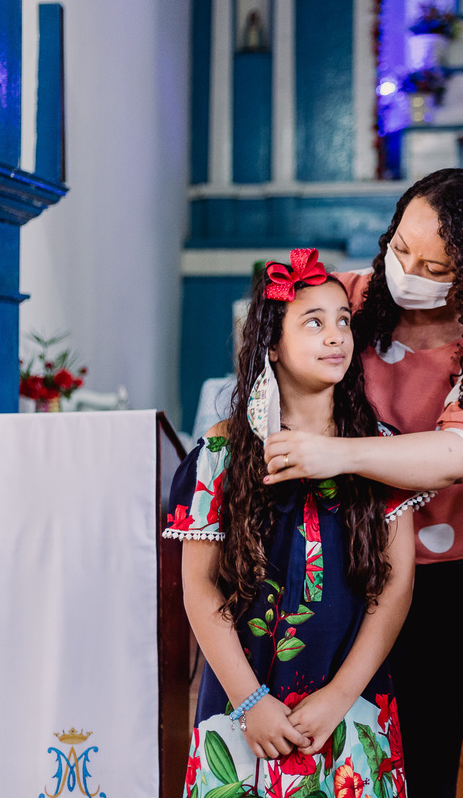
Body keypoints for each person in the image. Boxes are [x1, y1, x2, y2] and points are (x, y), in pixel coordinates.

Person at [260, 169, 463, 797]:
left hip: (446, 570)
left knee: (424, 754)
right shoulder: (350, 302)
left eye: (436, 267)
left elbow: (454, 454)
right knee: (326, 747)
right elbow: (271, 346)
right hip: (335, 557)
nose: (408, 269)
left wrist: (334, 453)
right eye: (401, 249)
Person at [164, 250, 425, 797]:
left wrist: (339, 697)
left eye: (343, 321)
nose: (336, 336)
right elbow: (199, 587)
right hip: (245, 702)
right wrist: (251, 702)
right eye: (314, 322)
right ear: (272, 346)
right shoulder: (221, 454)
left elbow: (395, 588)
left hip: (348, 698)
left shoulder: (379, 453)